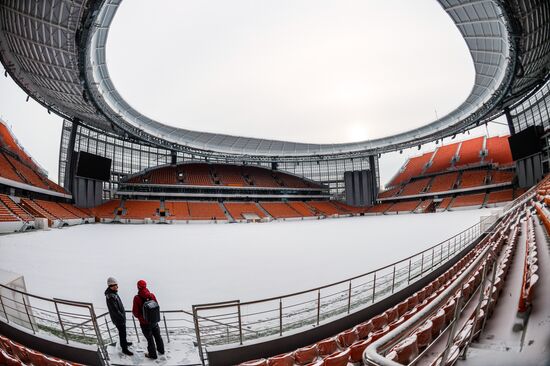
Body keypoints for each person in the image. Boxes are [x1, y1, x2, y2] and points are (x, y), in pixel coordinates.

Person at [132, 280, 165, 359]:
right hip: (154, 321)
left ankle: (152, 355)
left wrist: (141, 317)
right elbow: (157, 306)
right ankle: (161, 350)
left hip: (144, 324)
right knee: (158, 336)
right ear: (145, 286)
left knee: (150, 340)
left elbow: (135, 313)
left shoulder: (137, 298)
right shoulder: (152, 295)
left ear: (138, 287)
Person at [104, 277, 133, 356]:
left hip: (120, 318)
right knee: (122, 333)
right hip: (119, 319)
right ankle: (124, 349)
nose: (117, 286)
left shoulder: (113, 293)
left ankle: (124, 343)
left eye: (117, 285)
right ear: (110, 286)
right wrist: (122, 317)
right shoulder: (111, 296)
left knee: (123, 333)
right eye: (115, 285)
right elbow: (115, 310)